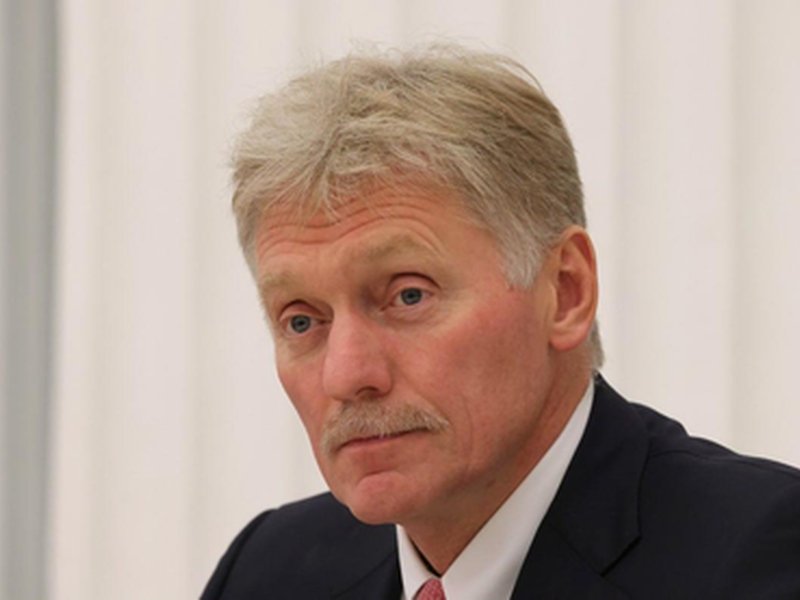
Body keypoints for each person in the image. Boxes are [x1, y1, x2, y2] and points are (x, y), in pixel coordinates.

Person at [201, 45, 800, 599]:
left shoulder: (764, 559)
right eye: (302, 322)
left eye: (408, 296)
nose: (346, 375)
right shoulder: (267, 574)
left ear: (565, 292)